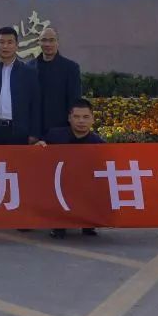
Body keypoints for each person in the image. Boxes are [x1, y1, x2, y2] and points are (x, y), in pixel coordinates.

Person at [37, 98, 103, 239]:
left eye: (86, 117)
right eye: (76, 117)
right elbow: (37, 156)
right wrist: (39, 146)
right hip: (59, 182)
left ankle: (88, 223)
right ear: (69, 118)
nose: (81, 121)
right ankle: (58, 224)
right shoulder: (54, 136)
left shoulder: (99, 144)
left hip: (86, 185)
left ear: (92, 119)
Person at [0, 27, 41, 145]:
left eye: (10, 42)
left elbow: (36, 104)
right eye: (1, 42)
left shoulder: (29, 72)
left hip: (19, 131)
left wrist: (34, 133)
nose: (5, 46)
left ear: (16, 45)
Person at [32, 27, 82, 136]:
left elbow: (75, 101)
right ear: (39, 42)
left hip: (62, 130)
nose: (48, 44)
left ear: (57, 42)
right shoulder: (29, 68)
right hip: (35, 130)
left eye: (51, 40)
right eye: (44, 40)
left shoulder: (71, 68)